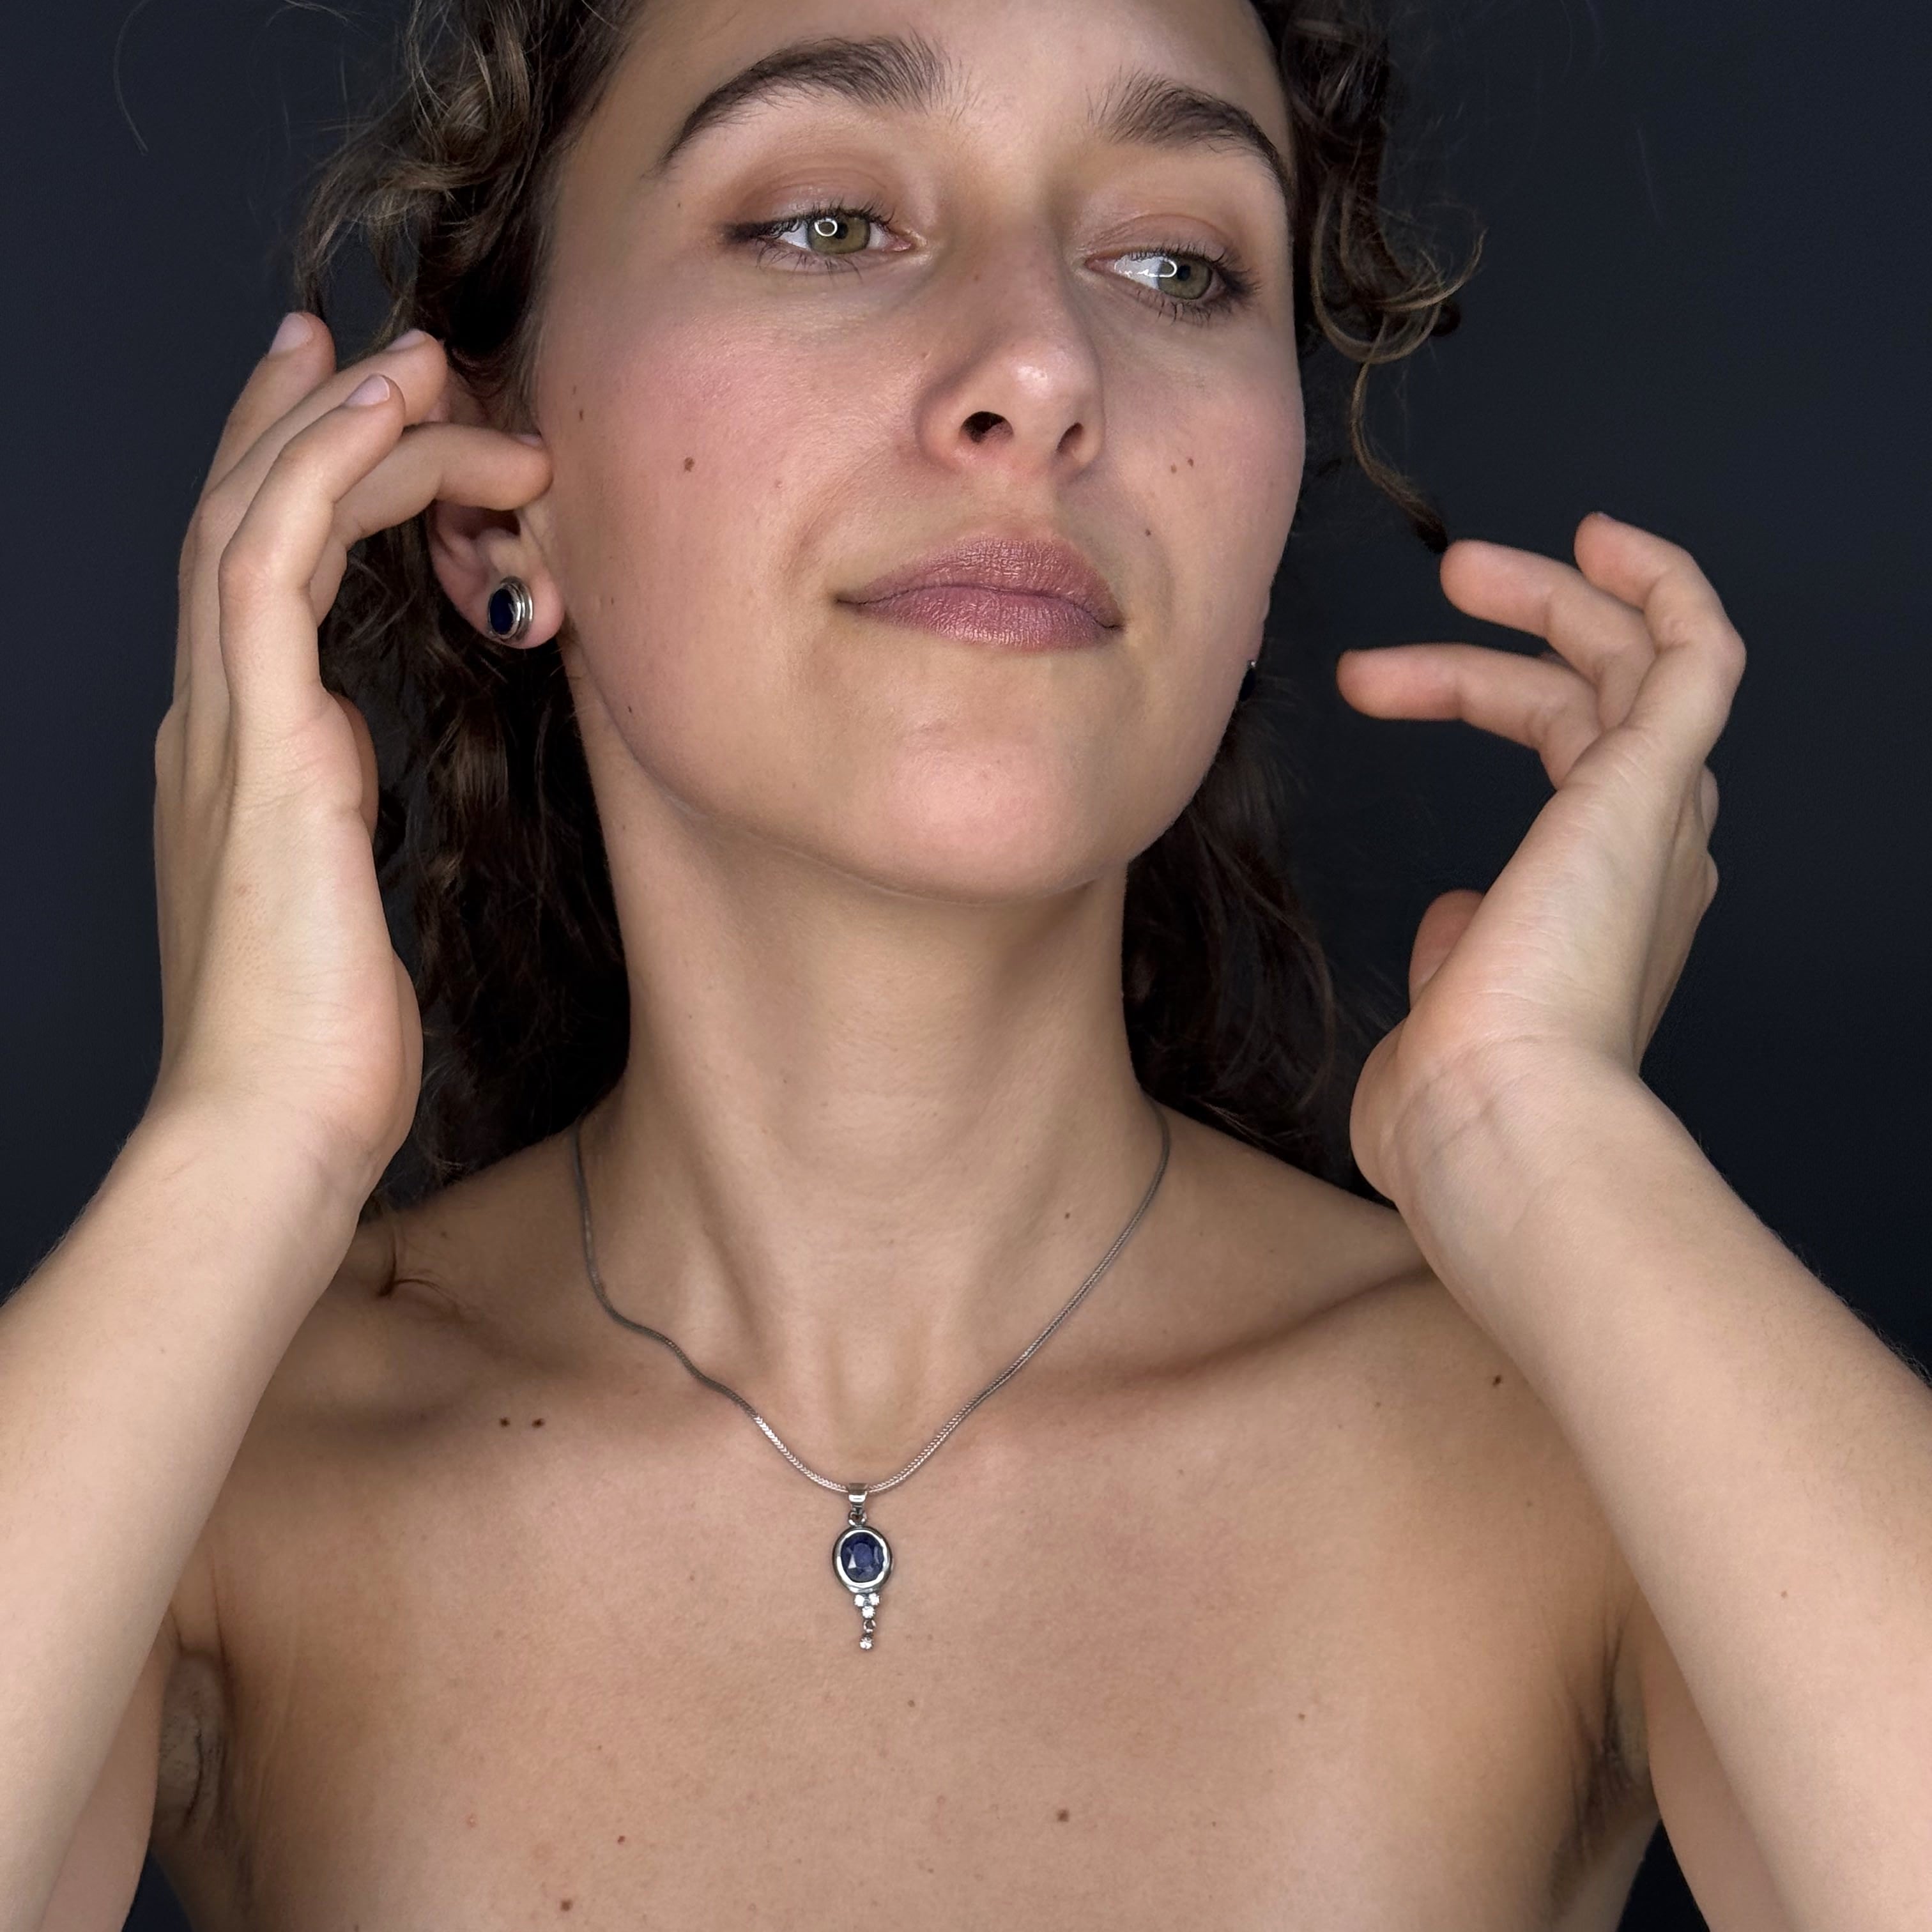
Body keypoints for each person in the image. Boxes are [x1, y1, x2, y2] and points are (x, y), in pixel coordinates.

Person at [6, 0, 1929, 1925]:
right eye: (832, 223)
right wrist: (246, 1146)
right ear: (498, 483)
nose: (1043, 365)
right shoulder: (210, 1472)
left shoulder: (1591, 1443)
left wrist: (1548, 1143)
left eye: (1178, 264)